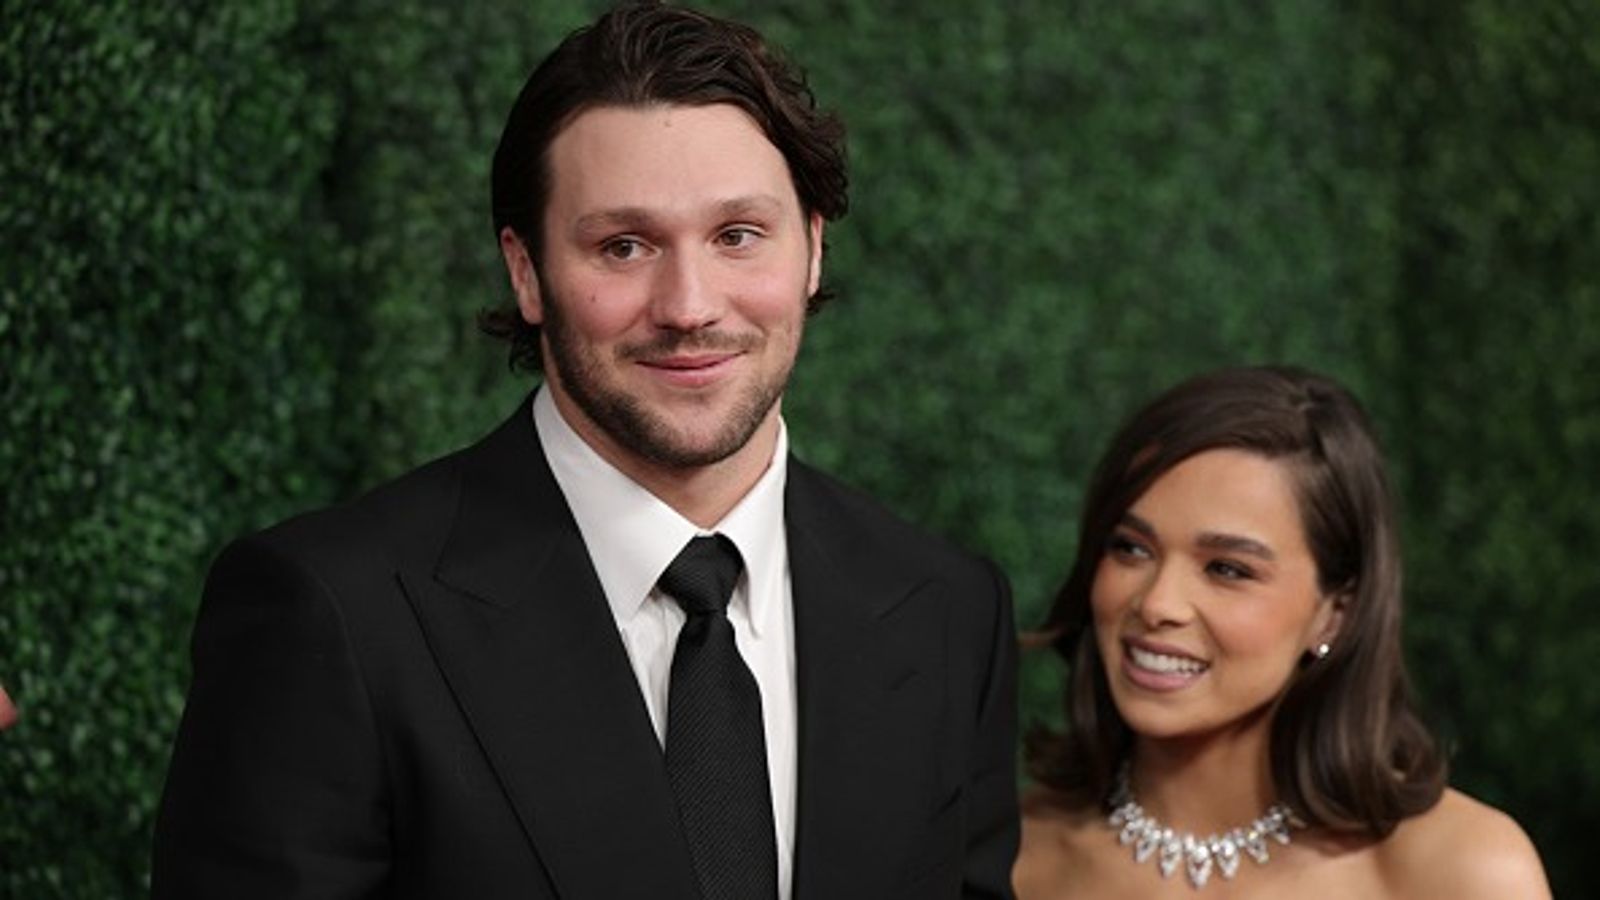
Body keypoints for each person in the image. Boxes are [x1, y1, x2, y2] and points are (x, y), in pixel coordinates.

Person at [151, 3, 1018, 898]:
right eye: (624, 246)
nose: (689, 304)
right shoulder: (333, 612)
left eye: (737, 236)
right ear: (526, 272)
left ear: (811, 249)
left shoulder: (949, 610)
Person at [1013, 366, 1549, 898]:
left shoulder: (1462, 871)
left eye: (1227, 569)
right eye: (1131, 548)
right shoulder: (1015, 851)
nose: (1157, 604)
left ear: (1335, 612)